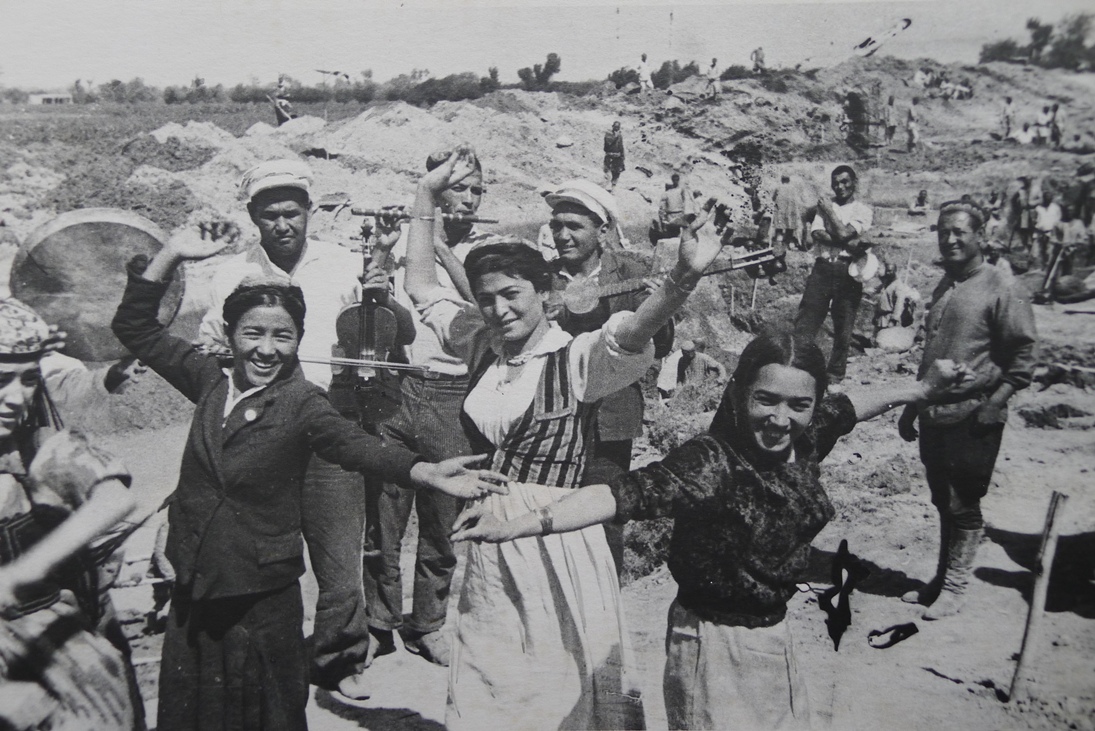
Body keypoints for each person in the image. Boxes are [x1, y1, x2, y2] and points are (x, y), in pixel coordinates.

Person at [452, 327, 969, 730]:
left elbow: (851, 408)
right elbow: (617, 495)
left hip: (775, 636)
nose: (780, 419)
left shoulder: (804, 438)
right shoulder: (710, 462)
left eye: (799, 404)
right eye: (766, 400)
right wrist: (522, 523)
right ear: (739, 393)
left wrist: (921, 389)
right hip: (713, 644)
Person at [112, 224, 506, 731]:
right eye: (253, 334)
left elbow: (354, 445)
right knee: (192, 713)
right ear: (229, 336)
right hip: (196, 586)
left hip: (260, 594)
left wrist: (423, 470)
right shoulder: (208, 380)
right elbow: (135, 327)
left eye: (283, 336)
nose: (267, 349)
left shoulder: (302, 402)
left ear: (299, 340)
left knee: (268, 713)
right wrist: (172, 253)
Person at [403, 146, 725, 730]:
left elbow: (631, 333)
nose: (499, 310)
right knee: (495, 668)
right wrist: (425, 195)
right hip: (491, 536)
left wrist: (682, 277)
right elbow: (423, 286)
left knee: (560, 672)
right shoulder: (482, 344)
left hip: (557, 535)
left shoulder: (576, 359)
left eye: (512, 295)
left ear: (546, 296)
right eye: (487, 298)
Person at [195, 159, 389, 698]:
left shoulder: (345, 264)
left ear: (309, 211)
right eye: (270, 215)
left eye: (292, 213)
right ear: (253, 216)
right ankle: (258, 654)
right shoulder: (229, 274)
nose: (283, 224)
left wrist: (380, 293)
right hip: (259, 431)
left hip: (328, 422)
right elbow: (212, 343)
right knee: (254, 551)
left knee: (339, 552)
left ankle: (338, 658)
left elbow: (380, 333)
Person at [363, 147, 509, 668]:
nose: (470, 199)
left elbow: (487, 309)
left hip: (455, 395)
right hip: (400, 387)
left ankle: (427, 624)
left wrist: (446, 250)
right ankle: (379, 622)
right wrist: (381, 260)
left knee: (442, 522)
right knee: (384, 517)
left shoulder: (490, 250)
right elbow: (376, 307)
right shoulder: (410, 240)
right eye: (459, 189)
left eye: (477, 190)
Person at [0, 299, 142, 731]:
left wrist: (21, 572)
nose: (16, 397)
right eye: (2, 379)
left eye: (28, 379)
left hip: (58, 656)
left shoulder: (45, 449)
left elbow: (113, 499)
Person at [898, 201, 1037, 620]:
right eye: (944, 231)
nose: (950, 239)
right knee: (943, 500)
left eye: (959, 231)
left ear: (981, 235)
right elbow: (932, 355)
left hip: (975, 414)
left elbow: (1022, 356)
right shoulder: (945, 284)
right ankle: (941, 580)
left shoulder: (1002, 286)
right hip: (935, 414)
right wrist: (912, 406)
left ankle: (955, 588)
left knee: (963, 502)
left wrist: (996, 403)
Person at [545, 179, 674, 575]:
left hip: (610, 418)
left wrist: (660, 306)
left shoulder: (632, 272)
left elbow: (662, 346)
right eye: (556, 225)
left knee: (603, 516)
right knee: (548, 515)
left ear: (602, 232)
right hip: (551, 416)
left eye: (574, 226)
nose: (562, 235)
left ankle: (604, 601)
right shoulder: (541, 278)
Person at [793, 164, 874, 386]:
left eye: (845, 182)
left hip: (847, 271)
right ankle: (798, 368)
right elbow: (818, 234)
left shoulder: (862, 210)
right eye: (836, 183)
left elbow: (844, 232)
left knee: (843, 326)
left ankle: (835, 376)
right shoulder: (823, 207)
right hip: (822, 268)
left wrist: (830, 213)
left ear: (854, 183)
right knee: (806, 321)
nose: (840, 187)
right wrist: (846, 239)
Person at [873, 262, 920, 334]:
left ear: (895, 271)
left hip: (889, 319)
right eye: (887, 271)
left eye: (890, 271)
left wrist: (894, 319)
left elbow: (899, 303)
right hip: (881, 318)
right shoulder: (886, 283)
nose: (888, 273)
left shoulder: (898, 285)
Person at [1033, 190, 1063, 269]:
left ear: (1052, 198)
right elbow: (1034, 220)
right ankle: (1042, 267)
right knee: (1040, 251)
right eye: (1046, 197)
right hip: (1040, 233)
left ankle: (1049, 267)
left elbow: (1059, 220)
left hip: (1052, 233)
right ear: (1043, 198)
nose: (1048, 199)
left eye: (1049, 197)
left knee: (1050, 251)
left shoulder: (1056, 208)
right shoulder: (1038, 208)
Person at [772, 174, 803, 250]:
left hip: (781, 210)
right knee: (790, 227)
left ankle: (779, 242)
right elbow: (797, 200)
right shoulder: (793, 188)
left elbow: (773, 198)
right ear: (789, 180)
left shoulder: (778, 187)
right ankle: (788, 242)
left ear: (782, 180)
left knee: (779, 226)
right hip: (790, 211)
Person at [603, 121, 625, 190]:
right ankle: (607, 185)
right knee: (608, 171)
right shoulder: (608, 134)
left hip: (618, 157)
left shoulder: (620, 135)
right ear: (612, 126)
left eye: (618, 127)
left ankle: (613, 187)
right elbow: (607, 144)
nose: (616, 128)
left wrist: (622, 156)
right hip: (609, 155)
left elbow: (621, 146)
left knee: (616, 172)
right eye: (615, 127)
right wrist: (616, 136)